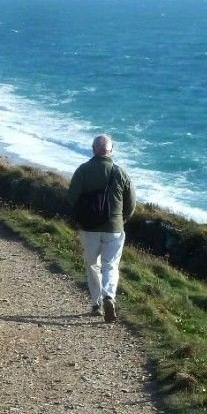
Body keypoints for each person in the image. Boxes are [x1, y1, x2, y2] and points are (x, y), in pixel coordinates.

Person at [67, 134, 137, 322]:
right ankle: (109, 296)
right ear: (111, 150)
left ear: (93, 149)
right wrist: (122, 220)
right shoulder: (120, 172)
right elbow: (131, 203)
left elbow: (71, 198)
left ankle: (96, 303)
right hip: (114, 226)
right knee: (110, 265)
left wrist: (79, 219)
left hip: (88, 228)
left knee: (92, 264)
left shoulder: (82, 170)